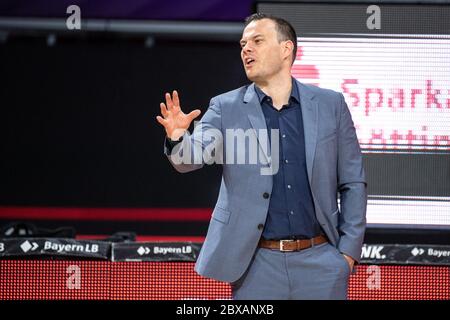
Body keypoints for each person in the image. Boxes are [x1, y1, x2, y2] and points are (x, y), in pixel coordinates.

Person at [156, 13, 367, 300]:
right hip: (256, 266)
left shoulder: (331, 105)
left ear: (286, 49)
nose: (246, 49)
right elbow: (188, 159)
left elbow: (353, 182)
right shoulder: (225, 107)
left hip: (322, 262)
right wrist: (178, 136)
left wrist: (347, 255)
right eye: (243, 44)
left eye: (257, 41)